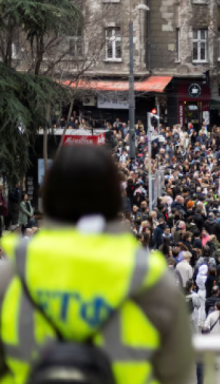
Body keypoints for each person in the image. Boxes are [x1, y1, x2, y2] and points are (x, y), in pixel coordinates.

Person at [0, 145, 194, 384]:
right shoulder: (154, 282)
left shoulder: (11, 276)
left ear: (47, 198)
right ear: (115, 200)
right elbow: (178, 376)